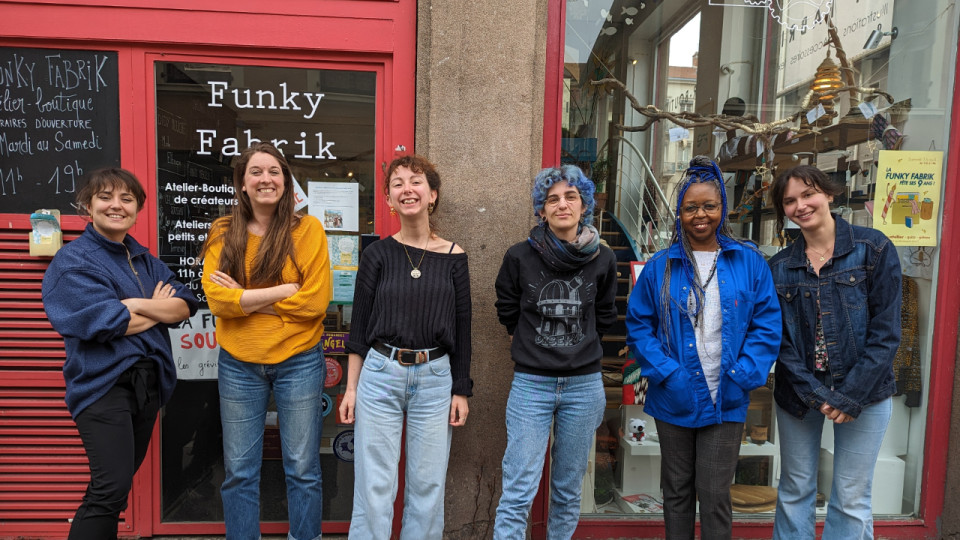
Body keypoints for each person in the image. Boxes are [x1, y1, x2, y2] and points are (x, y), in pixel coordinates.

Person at [624, 156, 781, 540]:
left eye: (709, 206)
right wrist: (669, 373)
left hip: (727, 393)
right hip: (674, 394)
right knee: (677, 491)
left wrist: (743, 374)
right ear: (679, 213)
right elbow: (639, 327)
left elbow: (766, 325)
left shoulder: (749, 262)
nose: (700, 215)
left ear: (722, 208)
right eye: (690, 207)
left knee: (714, 494)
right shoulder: (660, 267)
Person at [41, 168, 198, 539]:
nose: (116, 205)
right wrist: (153, 309)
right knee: (108, 489)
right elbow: (105, 323)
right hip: (102, 386)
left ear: (137, 209)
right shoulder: (73, 261)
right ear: (87, 205)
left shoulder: (143, 259)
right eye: (105, 197)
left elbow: (184, 305)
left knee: (116, 489)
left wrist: (135, 305)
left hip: (147, 387)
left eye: (126, 199)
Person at [201, 142, 332, 540]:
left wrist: (245, 298)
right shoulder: (223, 231)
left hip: (299, 359)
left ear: (286, 182)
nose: (266, 179)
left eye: (274, 171)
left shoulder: (307, 230)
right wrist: (282, 292)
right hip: (239, 362)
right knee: (239, 471)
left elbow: (315, 302)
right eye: (256, 172)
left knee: (302, 468)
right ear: (242, 183)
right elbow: (218, 301)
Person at [339, 154, 472, 539]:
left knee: (428, 485)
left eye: (416, 181)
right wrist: (351, 388)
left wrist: (461, 389)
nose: (407, 189)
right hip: (380, 374)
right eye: (397, 184)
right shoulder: (376, 255)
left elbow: (463, 328)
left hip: (435, 379)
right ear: (388, 199)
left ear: (432, 195)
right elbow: (359, 328)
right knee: (374, 484)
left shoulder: (454, 257)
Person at [768, 165, 901, 540]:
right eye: (790, 201)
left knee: (851, 496)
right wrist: (816, 393)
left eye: (808, 194)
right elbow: (780, 343)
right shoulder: (778, 267)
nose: (800, 205)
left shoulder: (873, 248)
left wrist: (849, 395)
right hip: (799, 392)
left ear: (828, 194)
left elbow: (887, 333)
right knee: (795, 490)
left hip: (866, 391)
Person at [493, 164, 618, 539]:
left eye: (571, 197)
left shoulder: (604, 259)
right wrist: (527, 341)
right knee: (518, 490)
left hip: (584, 387)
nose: (562, 204)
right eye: (552, 199)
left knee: (567, 490)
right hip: (531, 384)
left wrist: (580, 346)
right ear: (541, 209)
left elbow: (605, 314)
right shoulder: (519, 257)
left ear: (584, 205)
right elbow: (507, 308)